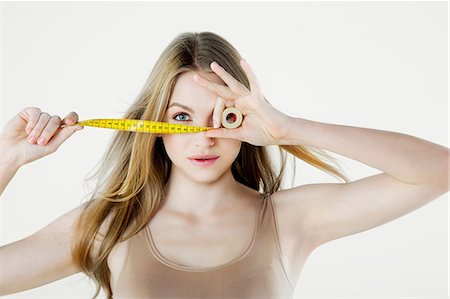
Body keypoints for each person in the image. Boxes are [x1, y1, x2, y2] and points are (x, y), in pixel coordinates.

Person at [0, 31, 448, 299]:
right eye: (181, 118)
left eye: (224, 116)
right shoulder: (106, 226)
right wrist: (8, 160)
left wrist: (288, 128)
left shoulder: (289, 220)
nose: (204, 137)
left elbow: (439, 169)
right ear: (154, 125)